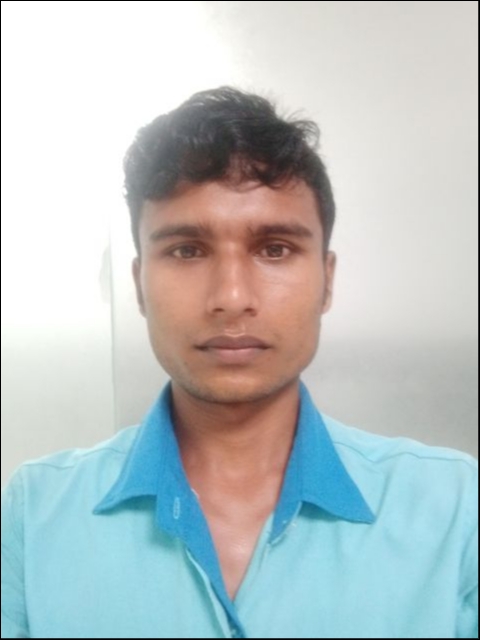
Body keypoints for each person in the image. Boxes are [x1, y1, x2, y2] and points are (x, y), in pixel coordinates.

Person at [1, 87, 477, 640]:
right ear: (139, 285)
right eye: (186, 250)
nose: (231, 297)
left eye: (275, 249)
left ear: (327, 282)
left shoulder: (456, 508)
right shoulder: (34, 514)